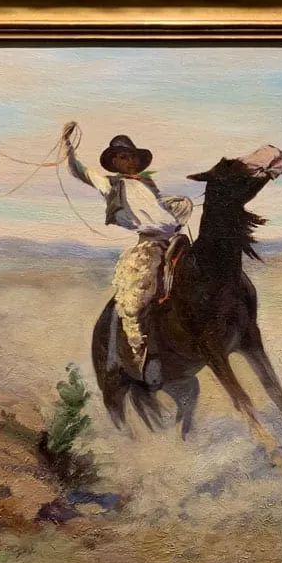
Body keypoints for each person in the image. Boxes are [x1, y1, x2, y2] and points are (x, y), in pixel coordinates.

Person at [61, 122, 193, 389]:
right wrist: (67, 146)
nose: (129, 161)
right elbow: (80, 171)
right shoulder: (110, 184)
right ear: (114, 162)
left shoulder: (148, 183)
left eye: (132, 156)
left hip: (174, 243)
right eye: (123, 157)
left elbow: (162, 209)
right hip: (147, 247)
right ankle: (143, 355)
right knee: (135, 299)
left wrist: (180, 204)